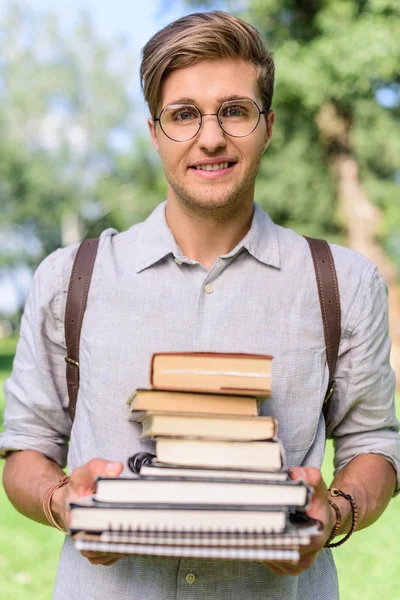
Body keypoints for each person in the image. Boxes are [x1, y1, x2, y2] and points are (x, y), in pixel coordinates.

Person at [1, 10, 399, 600]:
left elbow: (375, 448)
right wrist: (66, 504)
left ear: (267, 126)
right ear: (154, 130)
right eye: (183, 114)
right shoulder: (71, 279)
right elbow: (26, 451)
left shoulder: (341, 282)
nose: (210, 137)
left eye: (234, 111)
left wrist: (333, 513)